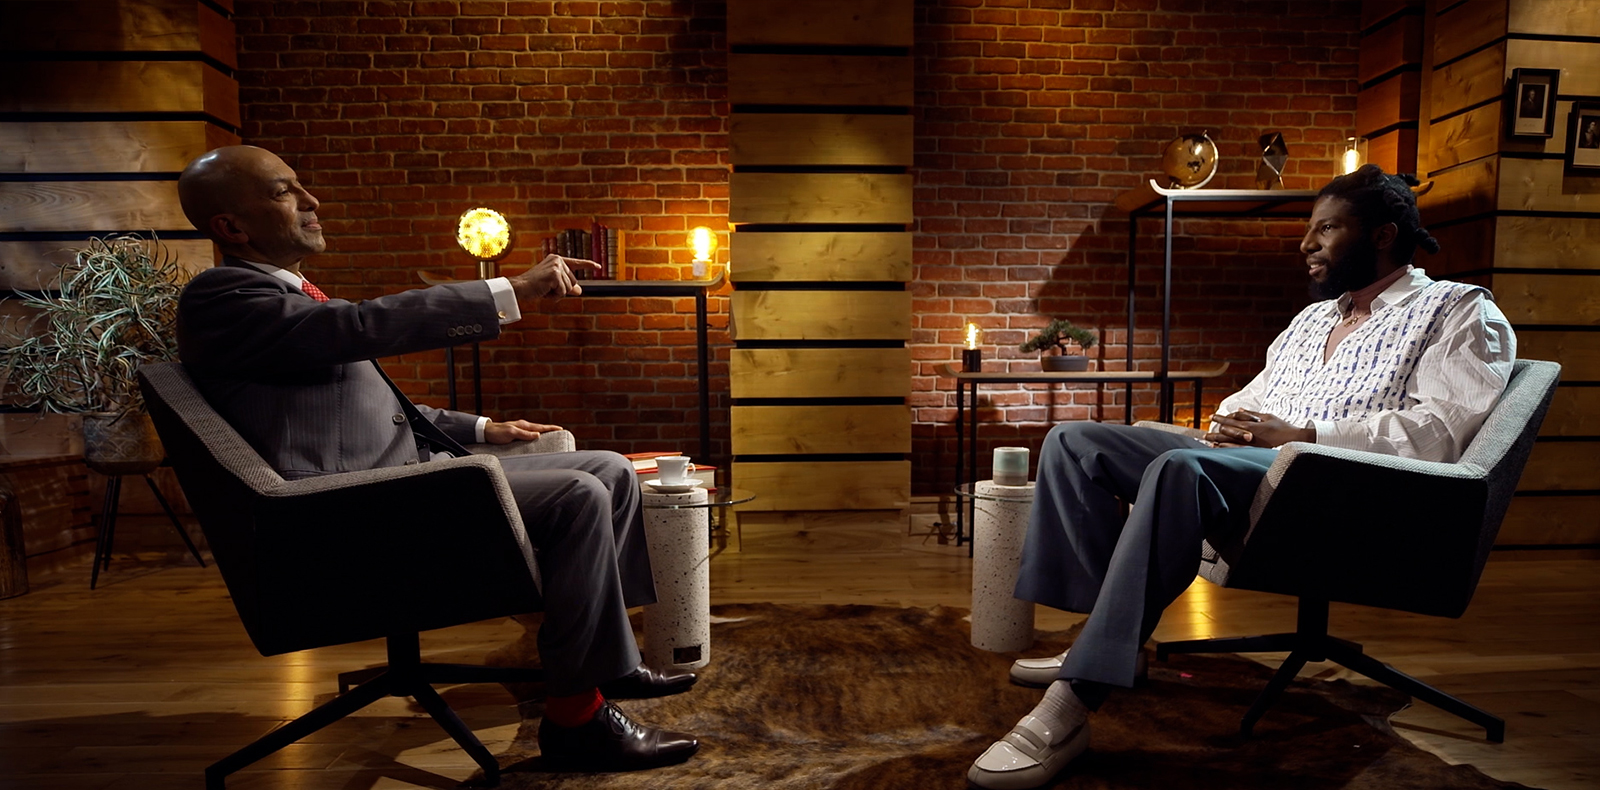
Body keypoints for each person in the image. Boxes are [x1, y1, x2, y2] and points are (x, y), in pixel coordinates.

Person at [967, 164, 1516, 790]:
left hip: (1338, 484)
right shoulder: (1314, 319)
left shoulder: (1458, 310)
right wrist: (1224, 427)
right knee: (1074, 441)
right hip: (1256, 464)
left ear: (1383, 235)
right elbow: (1252, 399)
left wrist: (1303, 435)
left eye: (1326, 229)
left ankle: (1072, 703)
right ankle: (1107, 639)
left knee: (1179, 469)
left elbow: (1442, 431)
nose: (1306, 244)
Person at [174, 145, 699, 772]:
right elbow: (361, 327)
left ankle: (608, 663)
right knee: (575, 495)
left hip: (395, 482)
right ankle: (576, 720)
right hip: (342, 510)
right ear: (231, 227)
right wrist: (509, 289)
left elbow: (366, 405)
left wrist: (481, 427)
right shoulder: (224, 298)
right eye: (285, 191)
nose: (312, 201)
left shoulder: (283, 299)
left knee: (607, 469)